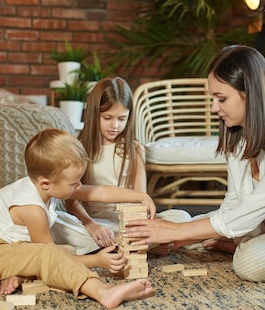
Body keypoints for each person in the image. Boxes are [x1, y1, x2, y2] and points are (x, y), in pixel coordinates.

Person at [125, 45, 265, 282]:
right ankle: (241, 241)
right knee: (177, 220)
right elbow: (235, 202)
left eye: (221, 99)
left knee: (248, 262)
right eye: (213, 98)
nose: (214, 108)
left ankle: (252, 246)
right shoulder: (238, 132)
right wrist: (177, 233)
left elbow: (247, 213)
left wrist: (178, 234)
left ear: (250, 94)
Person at [0, 128, 154, 309]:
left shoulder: (46, 185)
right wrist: (96, 260)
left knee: (59, 241)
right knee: (49, 254)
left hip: (8, 247)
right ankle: (103, 291)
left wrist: (140, 196)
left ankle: (15, 272)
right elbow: (50, 256)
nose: (79, 186)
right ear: (46, 183)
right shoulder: (32, 209)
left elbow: (99, 192)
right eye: (73, 183)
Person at [51, 77, 192, 256]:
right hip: (95, 224)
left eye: (122, 118)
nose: (115, 125)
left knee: (182, 218)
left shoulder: (134, 149)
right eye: (107, 118)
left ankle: (120, 245)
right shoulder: (80, 148)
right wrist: (91, 225)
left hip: (129, 224)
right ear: (94, 114)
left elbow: (141, 198)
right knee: (56, 222)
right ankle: (132, 246)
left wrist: (146, 224)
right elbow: (72, 201)